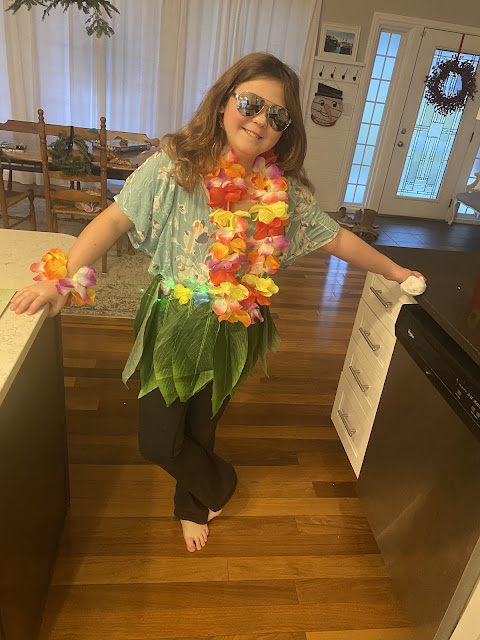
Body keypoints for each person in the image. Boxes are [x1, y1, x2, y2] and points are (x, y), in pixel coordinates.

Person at [10, 52, 424, 553]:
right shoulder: (175, 166)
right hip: (174, 319)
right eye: (251, 104)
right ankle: (218, 483)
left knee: (202, 427)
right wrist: (59, 280)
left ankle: (192, 505)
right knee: (157, 440)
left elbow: (336, 238)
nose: (261, 120)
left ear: (286, 130)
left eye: (277, 115)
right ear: (225, 102)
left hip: (236, 324)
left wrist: (394, 270)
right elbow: (114, 219)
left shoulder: (283, 193)